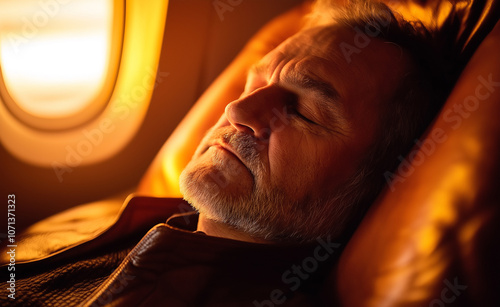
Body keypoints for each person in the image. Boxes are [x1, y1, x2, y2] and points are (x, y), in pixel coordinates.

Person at [0, 0, 448, 306]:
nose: (237, 110)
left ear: (378, 183)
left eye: (306, 112)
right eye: (254, 85)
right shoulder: (122, 222)